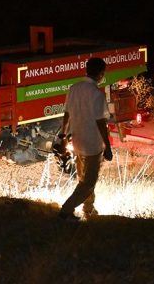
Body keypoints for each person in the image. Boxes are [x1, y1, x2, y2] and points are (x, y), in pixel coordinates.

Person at [59, 58, 113, 221]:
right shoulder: (97, 94)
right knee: (88, 182)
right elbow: (100, 122)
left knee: (84, 179)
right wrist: (108, 146)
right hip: (93, 145)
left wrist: (63, 136)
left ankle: (88, 208)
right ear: (101, 74)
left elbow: (67, 113)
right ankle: (66, 211)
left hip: (77, 142)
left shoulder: (74, 88)